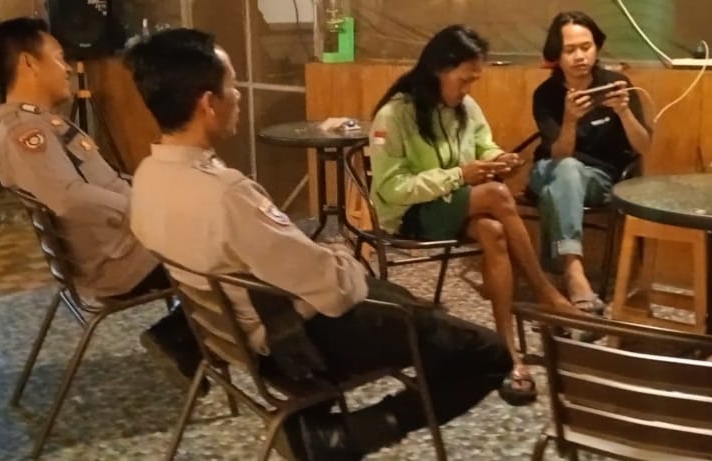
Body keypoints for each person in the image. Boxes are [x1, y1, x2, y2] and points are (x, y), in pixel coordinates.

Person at [126, 27, 515, 461]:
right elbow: (334, 290)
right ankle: (348, 434)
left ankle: (315, 420)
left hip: (229, 335)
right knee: (485, 351)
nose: (238, 95)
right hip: (292, 345)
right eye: (232, 85)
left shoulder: (146, 179)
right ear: (207, 103)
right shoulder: (227, 194)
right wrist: (343, 258)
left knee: (421, 316)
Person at [0, 17, 200, 383]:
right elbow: (68, 199)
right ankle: (182, 339)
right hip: (117, 262)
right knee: (222, 244)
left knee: (208, 224)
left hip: (121, 245)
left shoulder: (41, 123)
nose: (67, 68)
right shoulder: (26, 132)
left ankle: (189, 336)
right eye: (58, 57)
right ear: (28, 63)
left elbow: (100, 183)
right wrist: (143, 209)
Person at [368, 24, 578, 406]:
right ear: (439, 69)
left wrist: (500, 160)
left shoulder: (465, 108)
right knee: (496, 196)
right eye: (464, 79)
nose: (468, 89)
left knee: (493, 230)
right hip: (410, 215)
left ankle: (508, 356)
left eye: (473, 81)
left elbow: (485, 146)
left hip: (457, 205)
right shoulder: (395, 115)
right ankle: (546, 293)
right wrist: (459, 176)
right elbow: (390, 189)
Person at [529, 11, 651, 313]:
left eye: (586, 47)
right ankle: (574, 273)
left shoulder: (617, 84)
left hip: (600, 179)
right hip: (550, 168)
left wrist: (624, 112)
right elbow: (559, 155)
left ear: (597, 48)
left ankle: (554, 278)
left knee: (556, 190)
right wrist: (570, 120)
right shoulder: (546, 94)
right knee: (566, 169)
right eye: (570, 50)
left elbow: (644, 147)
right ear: (557, 56)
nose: (580, 57)